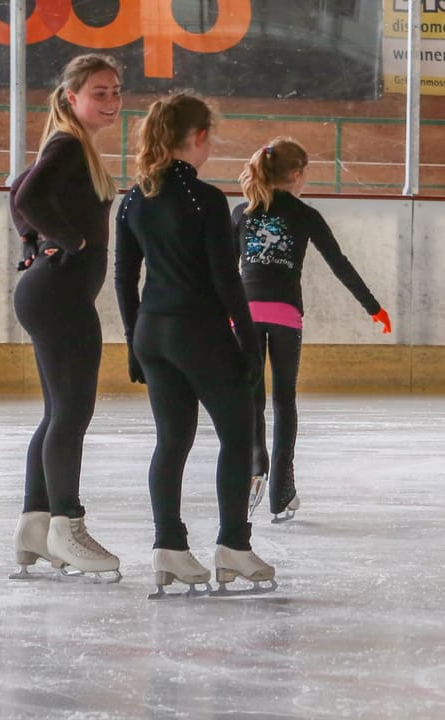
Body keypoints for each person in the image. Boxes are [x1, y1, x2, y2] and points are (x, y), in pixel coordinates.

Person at [115, 92, 275, 597]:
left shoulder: (132, 200)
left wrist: (132, 344)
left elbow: (123, 278)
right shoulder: (205, 199)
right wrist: (249, 344)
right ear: (200, 137)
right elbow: (227, 282)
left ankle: (169, 547)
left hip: (152, 333)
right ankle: (233, 545)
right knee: (237, 433)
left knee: (172, 440)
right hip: (197, 331)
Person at [232, 137, 391, 521]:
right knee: (284, 400)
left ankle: (255, 467)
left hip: (246, 313)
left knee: (252, 396)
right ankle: (281, 492)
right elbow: (339, 264)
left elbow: (220, 269)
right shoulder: (305, 214)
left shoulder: (241, 212)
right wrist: (374, 307)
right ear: (298, 175)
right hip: (286, 314)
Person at [9, 53, 123, 581]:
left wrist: (34, 240)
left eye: (115, 91)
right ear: (72, 97)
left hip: (54, 293)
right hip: (59, 295)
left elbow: (17, 190)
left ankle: (35, 525)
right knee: (72, 414)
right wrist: (65, 239)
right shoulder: (68, 144)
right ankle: (66, 525)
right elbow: (28, 194)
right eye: (99, 92)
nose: (110, 101)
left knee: (59, 413)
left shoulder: (73, 146)